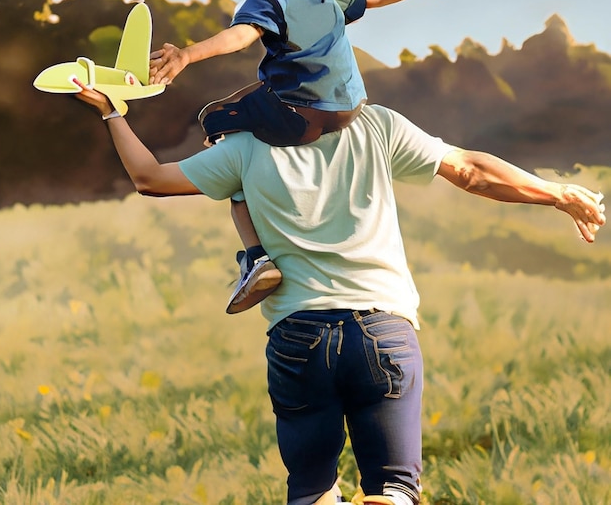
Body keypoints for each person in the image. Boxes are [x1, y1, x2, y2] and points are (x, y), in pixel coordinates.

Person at [74, 82, 605, 505]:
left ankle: (254, 262)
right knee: (396, 487)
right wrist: (556, 192)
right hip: (384, 329)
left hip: (299, 334)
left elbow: (149, 178)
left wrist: (111, 111)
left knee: (310, 490)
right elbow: (471, 169)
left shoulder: (243, 147)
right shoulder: (377, 126)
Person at [148, 0, 461, 313]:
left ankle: (256, 257)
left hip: (297, 117)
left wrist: (187, 54)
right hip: (348, 111)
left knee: (215, 121)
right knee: (245, 103)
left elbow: (239, 37)